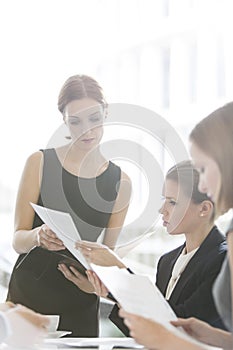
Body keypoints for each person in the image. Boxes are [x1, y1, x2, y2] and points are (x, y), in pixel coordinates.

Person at [6, 74, 131, 337]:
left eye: (94, 119)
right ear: (64, 120)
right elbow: (18, 240)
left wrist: (93, 284)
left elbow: (106, 256)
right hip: (29, 296)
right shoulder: (38, 163)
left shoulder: (121, 182)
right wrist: (38, 236)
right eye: (75, 121)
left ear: (106, 113)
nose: (86, 130)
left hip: (80, 301)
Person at [115, 102, 233, 349]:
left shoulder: (220, 255)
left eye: (204, 168)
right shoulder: (167, 261)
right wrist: (214, 337)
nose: (203, 185)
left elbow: (169, 325)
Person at [59, 160, 227, 333]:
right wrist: (109, 291)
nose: (162, 209)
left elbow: (179, 328)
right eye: (164, 199)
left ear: (204, 209)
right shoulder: (167, 261)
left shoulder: (224, 262)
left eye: (172, 202)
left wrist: (120, 270)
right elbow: (148, 329)